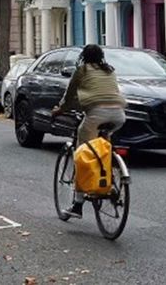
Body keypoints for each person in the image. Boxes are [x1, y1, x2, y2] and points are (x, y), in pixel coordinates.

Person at [51, 44, 126, 216]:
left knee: (82, 155)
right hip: (119, 115)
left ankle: (77, 204)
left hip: (96, 114)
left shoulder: (82, 71)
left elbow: (69, 97)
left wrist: (58, 110)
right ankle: (108, 180)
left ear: (83, 56)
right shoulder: (110, 70)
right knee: (102, 149)